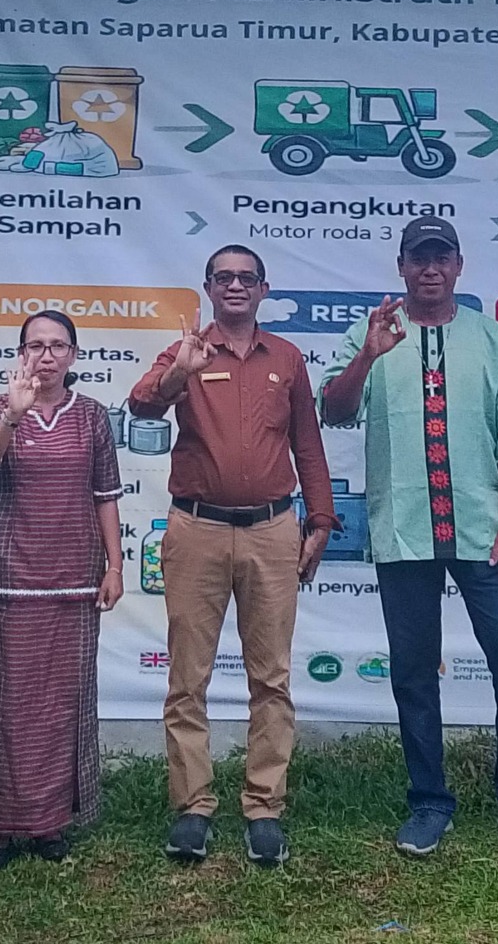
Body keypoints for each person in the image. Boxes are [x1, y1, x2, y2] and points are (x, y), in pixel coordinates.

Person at [320, 218, 498, 862]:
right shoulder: (372, 331)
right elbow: (334, 411)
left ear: (459, 265)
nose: (430, 268)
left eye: (441, 257)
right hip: (404, 527)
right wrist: (369, 355)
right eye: (419, 258)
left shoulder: (489, 336)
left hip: (483, 529)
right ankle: (429, 800)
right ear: (401, 266)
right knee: (414, 671)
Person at [130, 245, 334, 867]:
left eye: (247, 278)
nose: (236, 286)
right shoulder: (187, 350)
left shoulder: (287, 358)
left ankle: (263, 807)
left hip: (273, 531)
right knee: (187, 679)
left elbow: (307, 443)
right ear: (209, 288)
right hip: (197, 529)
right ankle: (193, 806)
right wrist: (179, 373)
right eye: (225, 278)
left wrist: (321, 519)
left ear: (263, 289)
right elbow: (142, 405)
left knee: (271, 677)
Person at [0, 311, 124, 867]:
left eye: (59, 345)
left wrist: (115, 565)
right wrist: (13, 415)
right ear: (21, 354)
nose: (47, 355)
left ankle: (51, 824)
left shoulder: (92, 416)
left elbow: (106, 494)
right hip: (13, 579)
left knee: (62, 703)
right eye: (36, 345)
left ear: (74, 355)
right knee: (10, 703)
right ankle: (2, 827)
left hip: (75, 579)